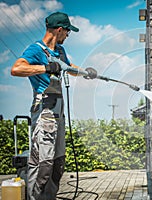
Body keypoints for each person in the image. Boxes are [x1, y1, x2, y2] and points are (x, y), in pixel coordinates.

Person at [11, 12, 97, 200]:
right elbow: (16, 69)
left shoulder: (59, 51)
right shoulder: (35, 50)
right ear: (59, 30)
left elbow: (67, 66)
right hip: (45, 111)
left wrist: (85, 72)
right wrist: (46, 68)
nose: (68, 35)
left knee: (57, 162)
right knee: (43, 163)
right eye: (67, 32)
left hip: (59, 110)